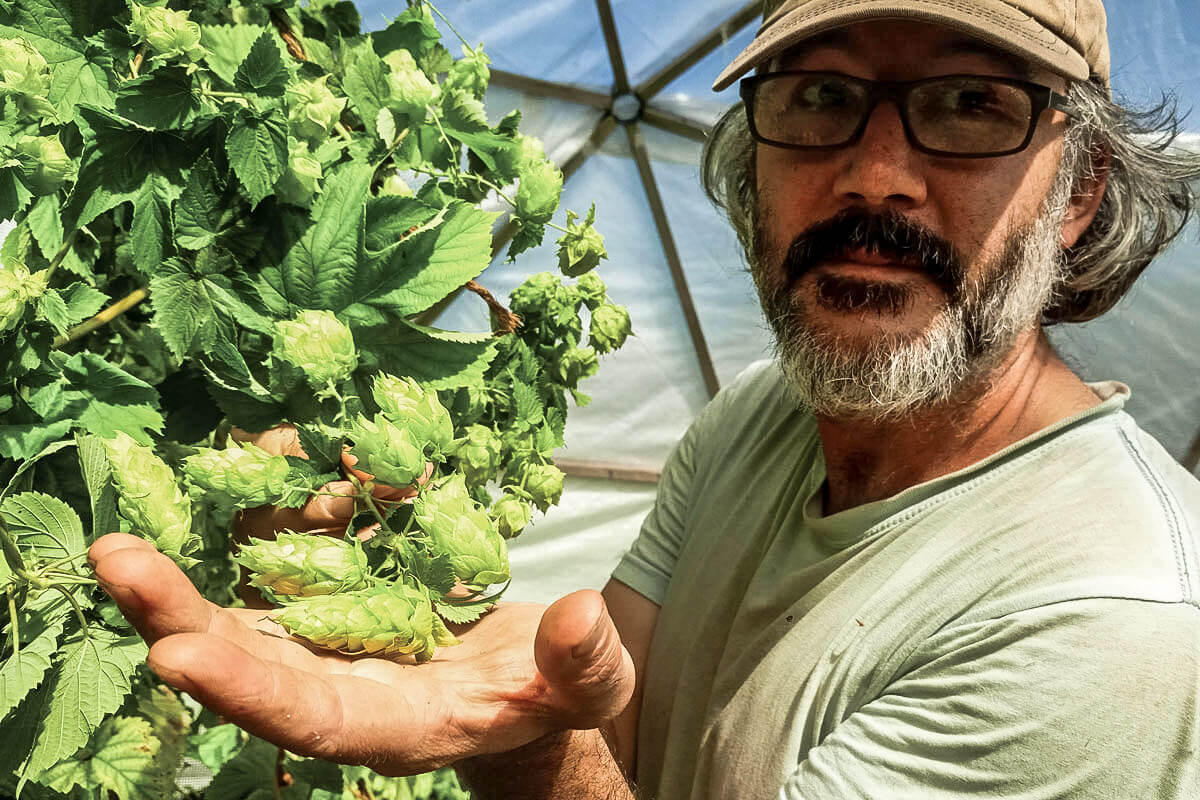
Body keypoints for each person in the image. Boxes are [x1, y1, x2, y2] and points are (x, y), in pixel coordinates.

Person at [88, 0, 1200, 797]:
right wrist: (479, 665)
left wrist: (512, 744)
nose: (874, 174)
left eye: (968, 104)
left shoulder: (1111, 618)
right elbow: (617, 712)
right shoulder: (757, 421)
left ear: (1079, 191)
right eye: (819, 96)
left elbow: (565, 755)